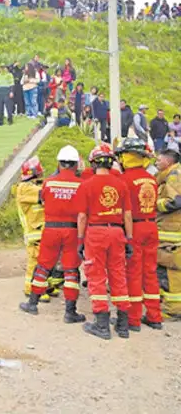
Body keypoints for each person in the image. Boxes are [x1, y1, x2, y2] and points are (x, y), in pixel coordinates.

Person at [20, 145, 87, 322]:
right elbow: (83, 212)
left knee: (43, 266)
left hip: (50, 229)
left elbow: (44, 200)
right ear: (75, 165)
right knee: (71, 269)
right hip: (72, 230)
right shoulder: (81, 184)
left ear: (59, 163)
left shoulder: (49, 182)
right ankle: (70, 312)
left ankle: (32, 304)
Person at [77, 144, 133, 340]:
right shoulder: (121, 185)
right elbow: (127, 216)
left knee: (96, 277)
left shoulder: (87, 185)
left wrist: (80, 240)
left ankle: (102, 325)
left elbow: (82, 217)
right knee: (118, 275)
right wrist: (129, 239)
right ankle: (123, 325)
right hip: (117, 232)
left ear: (93, 162)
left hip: (96, 233)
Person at [115, 138, 161, 331]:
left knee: (133, 273)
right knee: (150, 272)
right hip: (151, 226)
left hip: (134, 229)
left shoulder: (124, 180)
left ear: (126, 157)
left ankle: (133, 319)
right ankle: (154, 316)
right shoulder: (151, 179)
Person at [155, 146, 181, 321]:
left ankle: (173, 310)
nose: (156, 162)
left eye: (158, 159)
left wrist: (154, 204)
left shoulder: (173, 176)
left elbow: (175, 201)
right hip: (170, 231)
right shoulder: (171, 176)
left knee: (171, 271)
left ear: (167, 161)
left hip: (172, 233)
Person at [14, 156, 45, 297]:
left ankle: (42, 285)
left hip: (38, 230)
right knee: (35, 261)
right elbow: (44, 193)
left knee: (42, 260)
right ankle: (31, 289)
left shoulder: (29, 187)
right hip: (34, 232)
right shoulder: (26, 188)